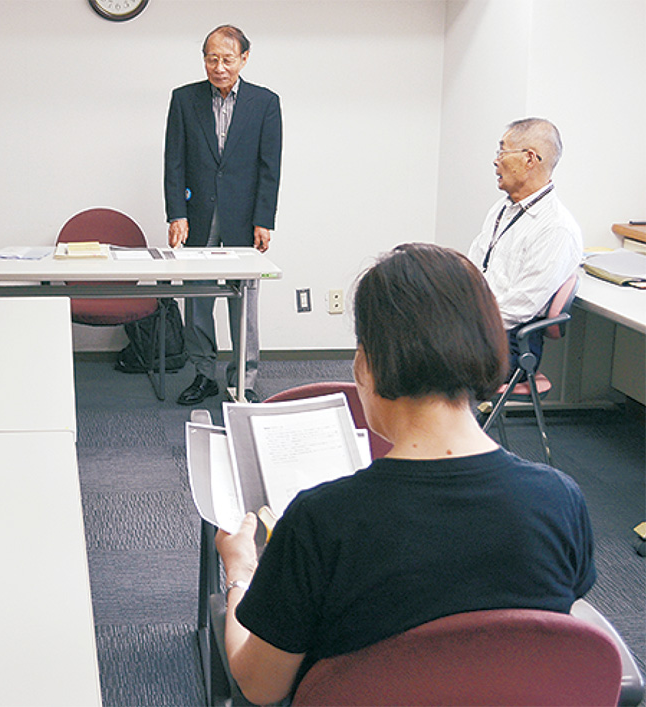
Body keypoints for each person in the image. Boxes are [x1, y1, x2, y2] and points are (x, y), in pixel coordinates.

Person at [214, 243, 594, 704]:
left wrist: (240, 569)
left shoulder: (321, 521)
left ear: (367, 363)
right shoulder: (561, 499)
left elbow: (260, 685)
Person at [165, 24, 282, 405]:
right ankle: (203, 375)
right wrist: (176, 214)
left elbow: (269, 167)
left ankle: (243, 380)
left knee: (243, 303)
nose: (219, 67)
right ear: (204, 59)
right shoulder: (184, 99)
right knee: (197, 301)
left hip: (243, 218)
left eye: (227, 59)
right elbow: (174, 162)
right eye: (211, 58)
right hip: (196, 217)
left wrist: (264, 219)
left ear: (244, 59)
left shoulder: (265, 103)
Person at [466, 117, 582, 374]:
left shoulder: (556, 228)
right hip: (480, 326)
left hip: (508, 343)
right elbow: (473, 267)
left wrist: (462, 325)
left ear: (529, 159)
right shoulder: (503, 209)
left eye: (502, 151)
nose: (496, 161)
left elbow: (520, 307)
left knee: (419, 354)